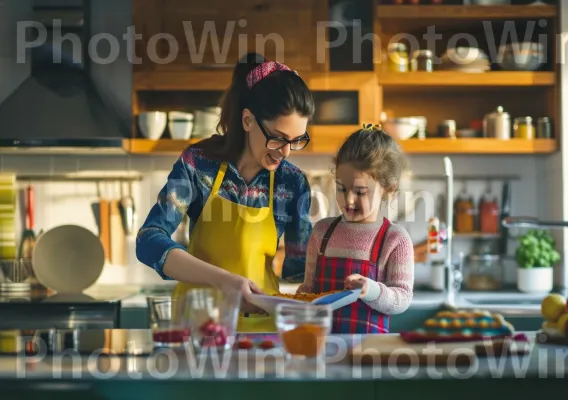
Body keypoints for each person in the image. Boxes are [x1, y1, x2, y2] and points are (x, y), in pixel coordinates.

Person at [136, 52, 315, 332]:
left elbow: (299, 270)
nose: (286, 151)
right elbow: (148, 241)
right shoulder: (198, 165)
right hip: (197, 327)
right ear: (247, 120)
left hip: (262, 333)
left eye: (296, 140)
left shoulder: (291, 183)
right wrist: (223, 280)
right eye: (278, 138)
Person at [297, 123, 414, 333]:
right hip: (321, 347)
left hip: (369, 354)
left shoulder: (395, 239)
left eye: (360, 192)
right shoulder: (322, 232)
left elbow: (403, 298)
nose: (348, 200)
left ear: (389, 189)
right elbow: (308, 291)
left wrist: (371, 290)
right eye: (341, 188)